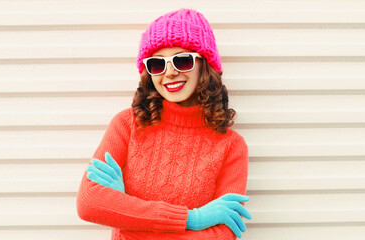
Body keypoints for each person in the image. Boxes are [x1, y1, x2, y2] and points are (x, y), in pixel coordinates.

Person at [76, 8, 252, 240]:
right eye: (158, 64)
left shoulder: (231, 146)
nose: (169, 73)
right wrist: (194, 219)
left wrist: (128, 215)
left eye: (182, 60)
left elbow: (223, 234)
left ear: (204, 65)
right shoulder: (127, 125)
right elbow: (89, 204)